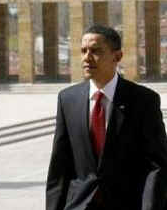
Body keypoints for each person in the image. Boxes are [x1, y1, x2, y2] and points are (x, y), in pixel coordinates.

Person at [46, 25, 167, 210]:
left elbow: (156, 166)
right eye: (83, 51)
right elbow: (59, 167)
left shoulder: (143, 101)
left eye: (95, 51)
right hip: (79, 204)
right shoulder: (68, 100)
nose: (87, 57)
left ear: (117, 56)